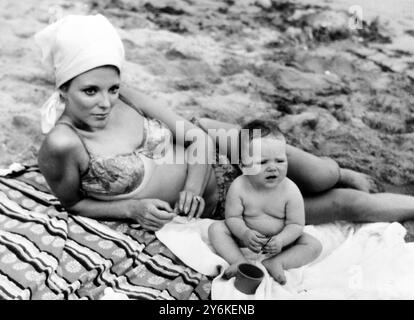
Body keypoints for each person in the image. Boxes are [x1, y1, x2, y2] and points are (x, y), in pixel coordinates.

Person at [36, 14, 414, 236]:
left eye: (112, 88)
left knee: (322, 175)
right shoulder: (63, 145)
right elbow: (73, 203)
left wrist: (189, 185)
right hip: (221, 202)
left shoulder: (125, 94)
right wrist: (130, 209)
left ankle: (339, 170)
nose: (105, 102)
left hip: (220, 144)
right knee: (350, 205)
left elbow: (195, 136)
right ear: (64, 88)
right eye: (90, 91)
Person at [209, 119, 322, 284]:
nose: (273, 167)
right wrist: (244, 233)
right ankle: (238, 260)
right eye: (263, 162)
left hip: (280, 242)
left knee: (313, 245)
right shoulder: (239, 186)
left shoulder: (290, 190)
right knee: (216, 229)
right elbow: (232, 218)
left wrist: (282, 240)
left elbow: (296, 225)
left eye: (280, 160)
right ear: (243, 166)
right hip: (245, 239)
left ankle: (278, 262)